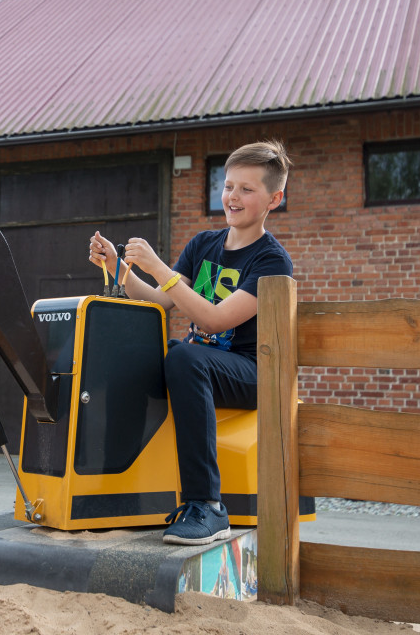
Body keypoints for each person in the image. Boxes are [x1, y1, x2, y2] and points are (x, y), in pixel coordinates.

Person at [88, 140, 293, 545]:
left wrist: (160, 267)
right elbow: (163, 300)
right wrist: (118, 267)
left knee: (184, 356)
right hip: (199, 363)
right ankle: (112, 484)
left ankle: (208, 506)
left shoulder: (271, 261)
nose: (233, 196)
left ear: (274, 198)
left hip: (252, 372)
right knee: (136, 357)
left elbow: (213, 318)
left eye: (246, 190)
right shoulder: (204, 244)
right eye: (228, 185)